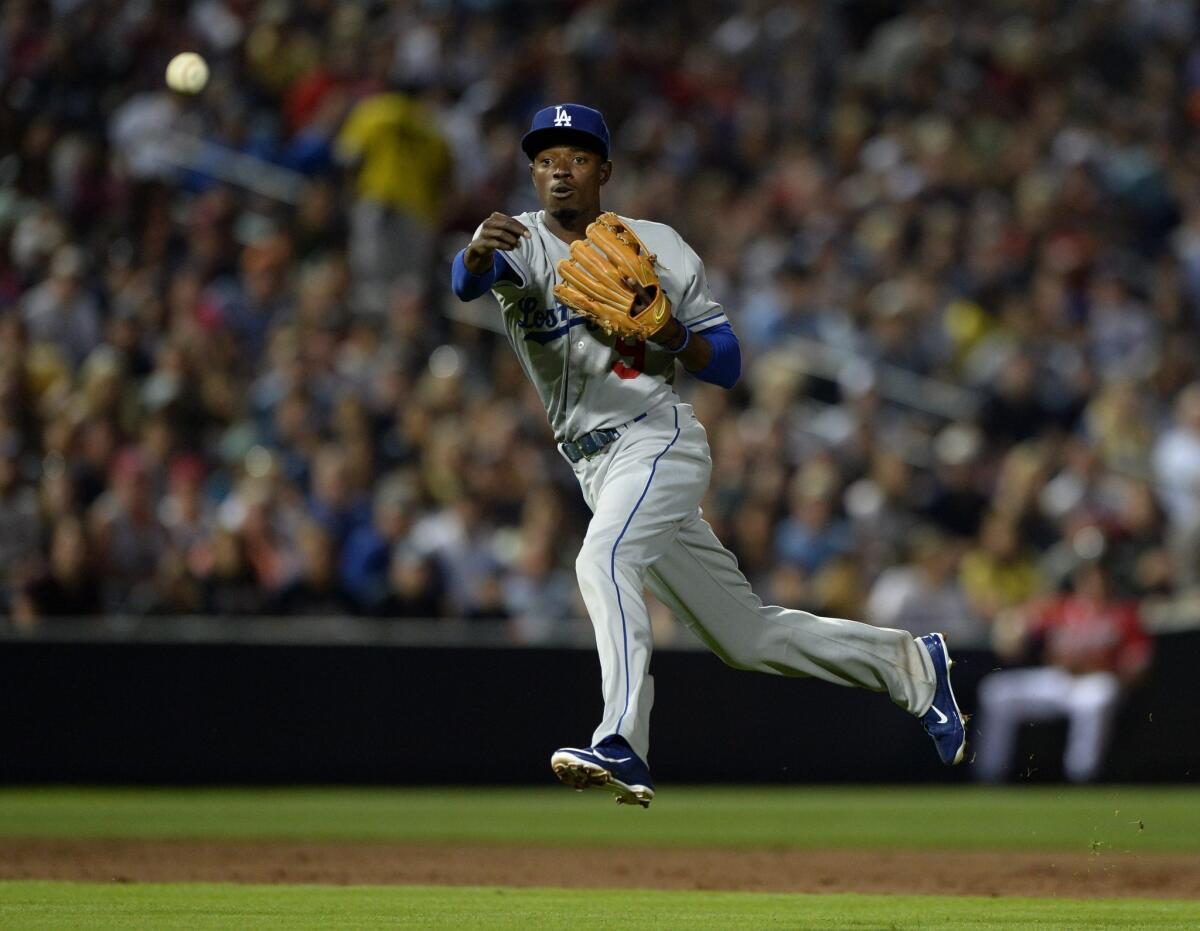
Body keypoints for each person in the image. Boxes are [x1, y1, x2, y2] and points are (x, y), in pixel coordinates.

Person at [450, 103, 967, 807]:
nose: (558, 170)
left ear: (604, 169)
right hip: (593, 468)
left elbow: (725, 363)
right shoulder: (518, 242)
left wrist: (669, 334)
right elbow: (468, 281)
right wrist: (474, 251)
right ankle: (910, 662)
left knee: (601, 559)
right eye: (544, 160)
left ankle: (621, 741)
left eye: (574, 157)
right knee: (745, 636)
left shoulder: (657, 243)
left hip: (655, 438)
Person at [975, 546, 1152, 783]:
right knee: (996, 692)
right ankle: (988, 776)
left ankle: (1081, 776)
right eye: (1088, 576)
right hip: (1058, 679)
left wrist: (1099, 667)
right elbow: (1016, 628)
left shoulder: (1124, 613)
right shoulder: (1061, 607)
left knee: (1096, 698)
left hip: (1097, 681)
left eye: (1099, 575)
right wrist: (1012, 633)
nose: (1094, 582)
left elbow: (1138, 666)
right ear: (1078, 579)